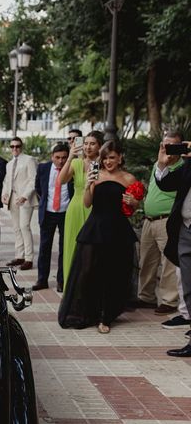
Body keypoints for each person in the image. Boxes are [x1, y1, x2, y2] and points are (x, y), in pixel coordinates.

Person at [58, 140, 142, 334]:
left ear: (120, 158)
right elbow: (87, 204)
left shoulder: (129, 178)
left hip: (118, 230)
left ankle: (106, 316)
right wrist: (88, 186)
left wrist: (133, 202)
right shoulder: (95, 174)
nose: (107, 161)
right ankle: (87, 312)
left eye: (111, 157)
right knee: (87, 270)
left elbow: (133, 208)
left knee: (113, 274)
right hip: (95, 227)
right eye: (104, 158)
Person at [137, 130, 185, 315]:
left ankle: (169, 300)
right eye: (166, 145)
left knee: (168, 264)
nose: (169, 150)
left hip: (167, 221)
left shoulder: (183, 168)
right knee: (147, 261)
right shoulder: (158, 165)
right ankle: (146, 296)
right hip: (149, 221)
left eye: (173, 146)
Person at [153, 139, 191, 356]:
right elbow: (166, 183)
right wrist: (163, 164)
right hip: (185, 231)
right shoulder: (187, 166)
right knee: (188, 285)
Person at [59, 130, 104, 289]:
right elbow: (61, 180)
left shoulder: (103, 164)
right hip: (75, 209)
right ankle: (71, 291)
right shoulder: (76, 163)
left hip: (95, 209)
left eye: (92, 144)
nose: (88, 147)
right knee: (72, 248)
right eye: (85, 143)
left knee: (92, 253)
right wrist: (71, 156)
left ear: (100, 146)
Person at [33, 143, 73, 292]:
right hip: (48, 212)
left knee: (64, 248)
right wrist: (44, 202)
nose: (61, 161)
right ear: (52, 157)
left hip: (66, 212)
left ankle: (61, 281)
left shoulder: (71, 168)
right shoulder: (43, 168)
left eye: (64, 157)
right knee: (44, 247)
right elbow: (38, 188)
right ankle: (42, 279)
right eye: (57, 157)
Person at [1, 137, 38, 270]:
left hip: (25, 199)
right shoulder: (9, 164)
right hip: (13, 199)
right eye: (12, 146)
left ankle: (29, 259)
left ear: (21, 147)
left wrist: (24, 196)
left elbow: (33, 180)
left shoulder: (29, 160)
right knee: (16, 228)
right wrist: (4, 194)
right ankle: (19, 256)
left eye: (17, 146)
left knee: (24, 227)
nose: (14, 149)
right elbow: (6, 182)